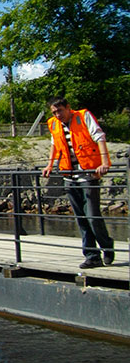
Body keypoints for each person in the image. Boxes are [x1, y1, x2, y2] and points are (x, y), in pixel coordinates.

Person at [42, 97, 114, 269]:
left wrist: (105, 163)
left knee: (92, 216)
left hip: (88, 175)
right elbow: (55, 145)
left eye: (59, 110)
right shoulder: (53, 124)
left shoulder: (83, 116)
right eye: (54, 112)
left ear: (68, 108)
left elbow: (99, 137)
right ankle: (91, 255)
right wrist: (50, 164)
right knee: (81, 218)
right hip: (69, 175)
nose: (57, 115)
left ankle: (107, 246)